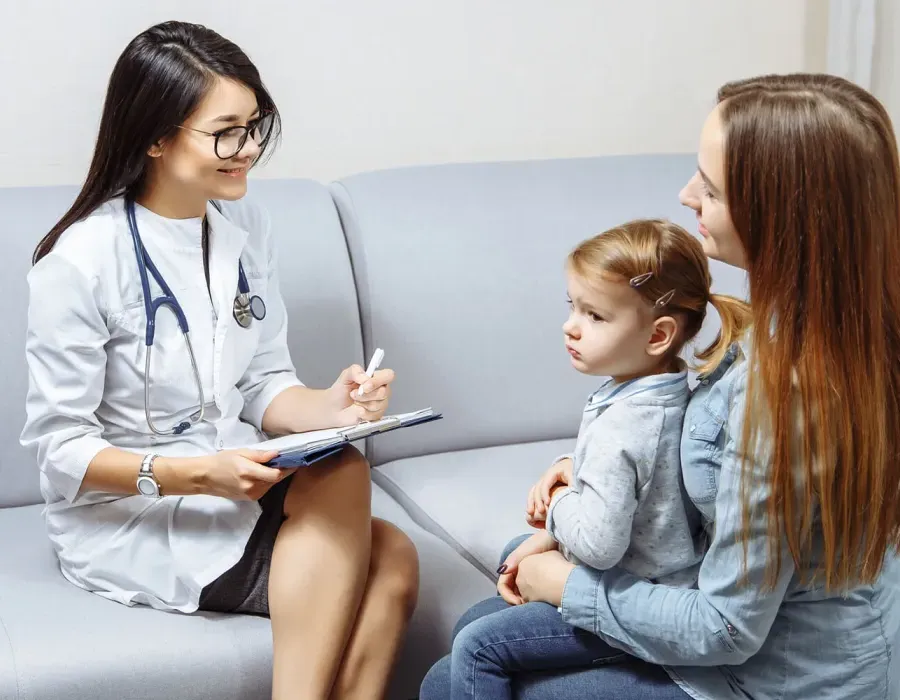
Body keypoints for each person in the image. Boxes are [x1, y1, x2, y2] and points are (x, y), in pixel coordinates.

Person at [421, 73, 900, 700]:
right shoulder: (816, 330)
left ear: (779, 214)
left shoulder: (790, 396)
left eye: (711, 188)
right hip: (798, 640)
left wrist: (564, 585)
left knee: (453, 674)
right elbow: (706, 460)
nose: (685, 195)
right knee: (474, 634)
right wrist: (588, 474)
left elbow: (727, 628)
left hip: (763, 679)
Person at [20, 21, 418, 700]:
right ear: (155, 136)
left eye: (256, 126)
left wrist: (334, 406)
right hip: (134, 512)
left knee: (396, 552)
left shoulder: (243, 229)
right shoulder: (81, 261)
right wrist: (194, 475)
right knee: (369, 519)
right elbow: (60, 452)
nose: (250, 150)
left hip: (235, 474)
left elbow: (263, 383)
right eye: (227, 132)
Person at [445, 219, 737, 699]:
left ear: (658, 335)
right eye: (572, 307)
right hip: (664, 575)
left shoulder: (625, 425)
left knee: (477, 646)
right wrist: (574, 468)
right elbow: (647, 482)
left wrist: (560, 501)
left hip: (632, 597)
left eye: (595, 316)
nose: (570, 326)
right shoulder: (667, 390)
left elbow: (600, 546)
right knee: (499, 581)